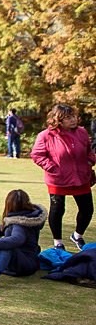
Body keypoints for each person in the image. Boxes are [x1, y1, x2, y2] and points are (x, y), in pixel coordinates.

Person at [30, 103, 96, 251]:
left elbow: (88, 150)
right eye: (68, 117)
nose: (73, 120)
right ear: (58, 120)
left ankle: (77, 235)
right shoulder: (45, 135)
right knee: (58, 209)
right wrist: (53, 168)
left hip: (81, 177)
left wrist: (90, 160)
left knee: (87, 209)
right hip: (58, 179)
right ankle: (57, 242)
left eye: (73, 116)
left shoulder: (82, 132)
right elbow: (37, 155)